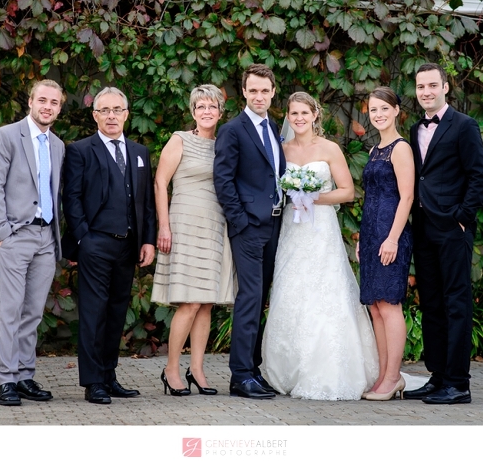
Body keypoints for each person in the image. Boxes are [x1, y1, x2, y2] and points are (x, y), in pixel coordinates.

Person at [261, 92, 379, 400]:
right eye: (293, 113)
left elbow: (348, 192)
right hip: (292, 229)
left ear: (316, 114)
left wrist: (312, 197)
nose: (299, 118)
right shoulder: (281, 149)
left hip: (320, 228)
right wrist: (293, 196)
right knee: (291, 290)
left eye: (304, 112)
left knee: (325, 292)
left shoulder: (329, 149)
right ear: (287, 116)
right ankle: (287, 369)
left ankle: (330, 368)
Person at [62, 86, 157, 405]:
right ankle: (93, 382)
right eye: (105, 110)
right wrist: (84, 239)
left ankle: (108, 374)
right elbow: (71, 199)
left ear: (127, 114)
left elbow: (145, 202)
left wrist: (147, 240)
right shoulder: (80, 150)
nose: (112, 115)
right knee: (93, 312)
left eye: (118, 110)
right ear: (95, 116)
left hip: (129, 245)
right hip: (95, 244)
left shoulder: (140, 152)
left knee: (117, 312)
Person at [405, 63, 483, 404]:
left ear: (445, 87)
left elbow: (479, 175)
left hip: (452, 228)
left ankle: (459, 383)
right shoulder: (415, 129)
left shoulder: (464, 125)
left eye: (431, 85)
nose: (425, 91)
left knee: (457, 304)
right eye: (420, 86)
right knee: (432, 304)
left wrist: (462, 217)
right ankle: (437, 376)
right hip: (423, 228)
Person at [0, 79, 65, 406]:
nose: (47, 106)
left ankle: (25, 375)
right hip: (15, 235)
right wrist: (2, 234)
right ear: (30, 101)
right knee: (11, 310)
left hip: (47, 237)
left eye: (54, 102)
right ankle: (6, 381)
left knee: (33, 312)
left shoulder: (57, 145)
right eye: (42, 100)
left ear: (59, 108)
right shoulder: (6, 136)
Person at [152, 84, 236, 397]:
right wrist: (164, 226)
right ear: (192, 111)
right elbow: (160, 183)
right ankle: (171, 369)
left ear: (220, 111)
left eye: (212, 106)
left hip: (215, 225)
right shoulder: (180, 139)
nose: (207, 112)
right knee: (189, 301)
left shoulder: (225, 144)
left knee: (206, 304)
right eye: (201, 106)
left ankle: (197, 369)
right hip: (184, 223)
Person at [213, 63, 286, 399]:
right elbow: (223, 179)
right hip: (248, 227)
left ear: (273, 93)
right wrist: (240, 221)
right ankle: (240, 375)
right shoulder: (233, 130)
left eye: (265, 91)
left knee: (262, 300)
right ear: (244, 92)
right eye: (253, 90)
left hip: (275, 224)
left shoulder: (274, 128)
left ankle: (253, 371)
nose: (259, 96)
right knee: (250, 298)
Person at [356, 86, 415, 401]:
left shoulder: (400, 148)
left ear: (396, 111)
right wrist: (363, 240)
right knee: (376, 307)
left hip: (392, 235)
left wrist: (392, 237)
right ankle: (382, 376)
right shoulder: (373, 150)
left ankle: (394, 378)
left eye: (383, 109)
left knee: (390, 305)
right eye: (373, 109)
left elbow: (407, 196)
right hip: (371, 235)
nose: (378, 114)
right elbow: (371, 197)